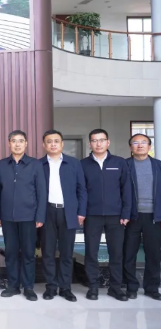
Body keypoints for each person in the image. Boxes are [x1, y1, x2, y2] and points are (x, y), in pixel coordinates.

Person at [81, 128, 131, 301]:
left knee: (116, 253)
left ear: (108, 142)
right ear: (90, 144)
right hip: (92, 215)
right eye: (94, 140)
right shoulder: (83, 164)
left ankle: (115, 288)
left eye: (102, 140)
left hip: (115, 215)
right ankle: (93, 287)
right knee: (91, 252)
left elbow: (126, 189)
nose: (98, 143)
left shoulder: (119, 162)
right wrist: (81, 213)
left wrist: (126, 212)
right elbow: (81, 191)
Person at [0, 130, 47, 301]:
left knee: (28, 253)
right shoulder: (1, 165)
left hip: (29, 217)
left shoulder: (35, 164)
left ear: (26, 143)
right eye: (14, 141)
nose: (17, 144)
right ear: (9, 143)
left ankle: (28, 287)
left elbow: (41, 192)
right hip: (7, 217)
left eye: (20, 141)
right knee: (10, 253)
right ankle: (13, 285)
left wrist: (40, 216)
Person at [40, 129, 87, 302]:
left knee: (67, 253)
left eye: (56, 141)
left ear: (62, 144)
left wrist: (81, 211)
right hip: (47, 212)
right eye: (49, 141)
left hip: (69, 212)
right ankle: (51, 287)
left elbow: (82, 189)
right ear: (44, 145)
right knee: (48, 252)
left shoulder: (74, 163)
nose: (53, 144)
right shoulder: (38, 165)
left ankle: (66, 288)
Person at [123, 133, 161, 300]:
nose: (140, 145)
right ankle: (131, 287)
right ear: (130, 147)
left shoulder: (158, 166)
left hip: (154, 216)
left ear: (149, 146)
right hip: (132, 216)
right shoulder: (125, 165)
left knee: (153, 254)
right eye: (136, 142)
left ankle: (152, 288)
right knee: (129, 253)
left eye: (143, 142)